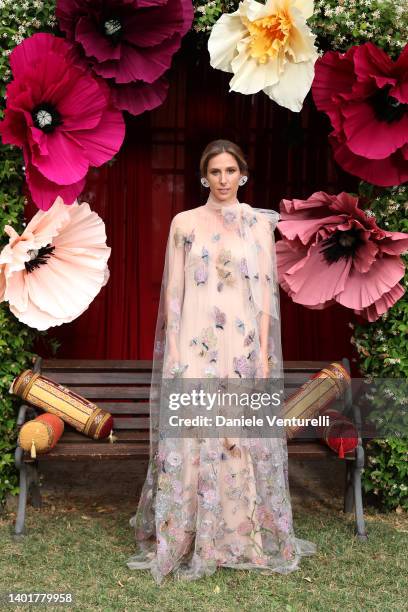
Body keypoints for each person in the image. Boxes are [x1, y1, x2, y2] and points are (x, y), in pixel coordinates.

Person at [126, 139, 316, 583]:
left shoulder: (258, 225)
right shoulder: (184, 224)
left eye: (231, 171)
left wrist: (265, 356)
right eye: (216, 172)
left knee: (238, 434)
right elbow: (173, 291)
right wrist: (173, 349)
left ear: (243, 174)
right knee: (192, 433)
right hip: (194, 343)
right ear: (203, 177)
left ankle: (239, 535)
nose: (224, 179)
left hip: (244, 345)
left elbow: (267, 295)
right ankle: (187, 536)